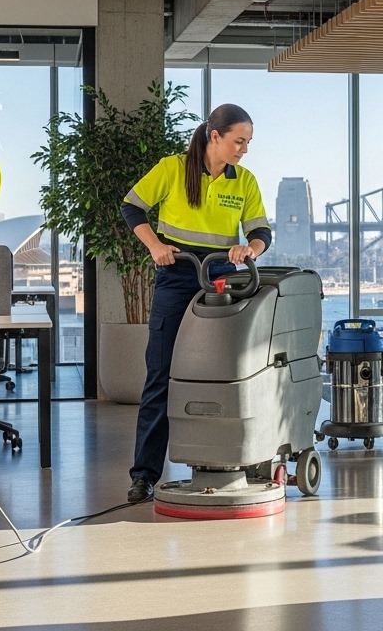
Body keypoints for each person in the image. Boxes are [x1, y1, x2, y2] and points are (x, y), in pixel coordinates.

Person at [122, 104, 271, 505]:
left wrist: (250, 249)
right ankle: (144, 475)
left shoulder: (245, 181)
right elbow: (131, 206)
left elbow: (261, 232)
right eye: (239, 141)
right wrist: (155, 246)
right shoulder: (173, 168)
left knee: (227, 372)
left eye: (248, 142)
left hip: (224, 279)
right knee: (161, 374)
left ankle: (227, 463)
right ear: (215, 136)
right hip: (178, 275)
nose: (244, 149)